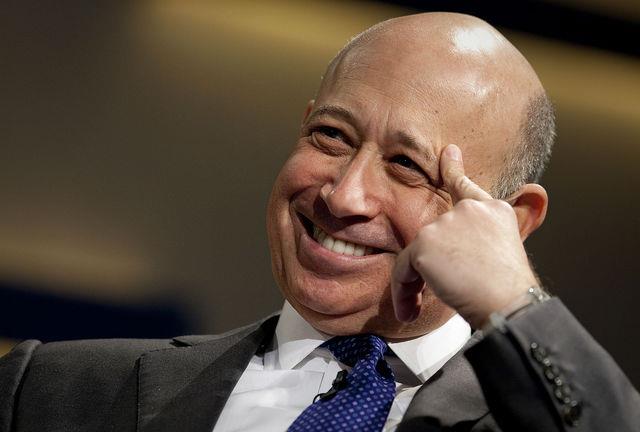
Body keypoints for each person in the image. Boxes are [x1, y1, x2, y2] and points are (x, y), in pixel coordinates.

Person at [0, 12, 638, 432]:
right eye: (331, 136)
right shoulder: (50, 392)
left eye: (407, 165)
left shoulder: (528, 419)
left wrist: (515, 303)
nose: (345, 195)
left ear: (511, 222)